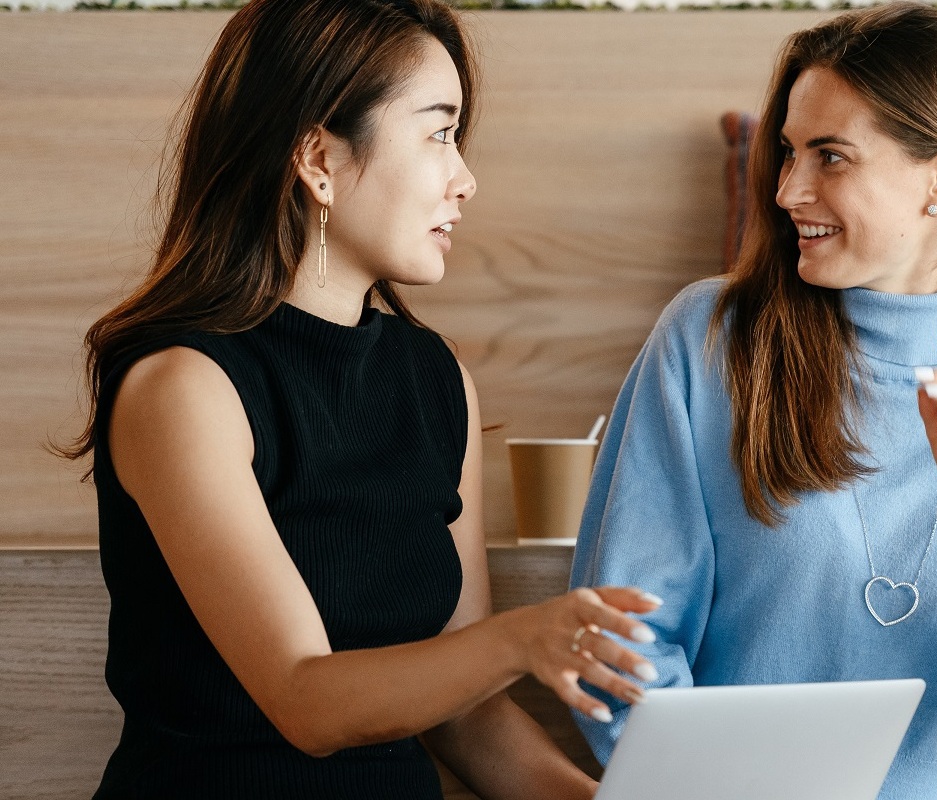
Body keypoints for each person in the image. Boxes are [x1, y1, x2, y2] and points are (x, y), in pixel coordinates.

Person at [59, 1, 660, 797]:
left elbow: (467, 718)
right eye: (439, 133)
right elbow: (304, 701)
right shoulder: (183, 388)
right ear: (318, 159)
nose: (465, 180)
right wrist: (522, 639)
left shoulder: (435, 378)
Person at [569, 3, 937, 797]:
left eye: (831, 157)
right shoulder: (710, 338)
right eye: (788, 152)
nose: (787, 190)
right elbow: (617, 644)